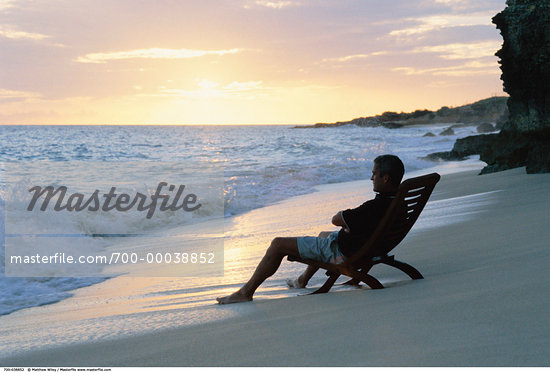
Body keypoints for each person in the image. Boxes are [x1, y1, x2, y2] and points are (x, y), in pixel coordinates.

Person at [216, 154, 405, 304]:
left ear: (386, 178)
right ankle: (302, 280)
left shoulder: (373, 207)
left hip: (342, 252)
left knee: (277, 244)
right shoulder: (398, 202)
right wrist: (348, 228)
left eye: (374, 174)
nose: (371, 177)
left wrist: (345, 223)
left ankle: (246, 292)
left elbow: (336, 219)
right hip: (368, 247)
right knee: (323, 235)